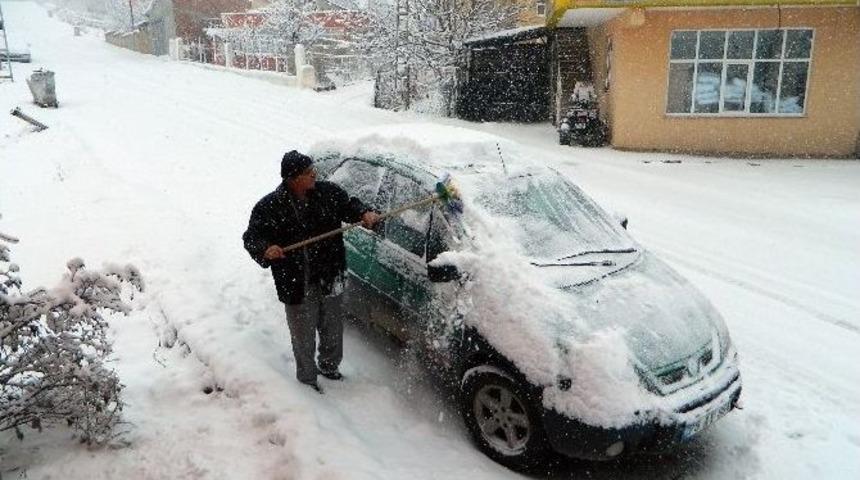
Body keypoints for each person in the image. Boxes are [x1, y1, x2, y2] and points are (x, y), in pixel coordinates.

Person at [243, 150, 380, 393]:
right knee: (303, 336)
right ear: (293, 178)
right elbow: (252, 237)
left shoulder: (328, 193)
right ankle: (307, 381)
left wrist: (363, 213)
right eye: (308, 172)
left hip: (330, 274)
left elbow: (350, 205)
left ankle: (330, 367)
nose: (314, 174)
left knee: (332, 328)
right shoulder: (269, 207)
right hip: (296, 282)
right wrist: (266, 249)